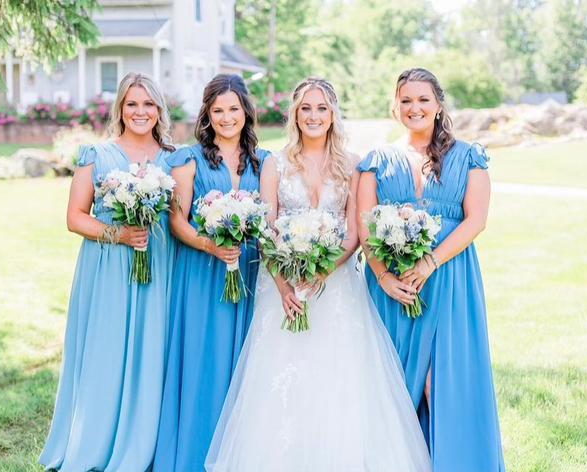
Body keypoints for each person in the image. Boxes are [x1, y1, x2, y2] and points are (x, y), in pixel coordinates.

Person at [205, 77, 431, 472]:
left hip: (336, 285)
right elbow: (266, 230)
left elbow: (354, 231)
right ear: (295, 115)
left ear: (332, 114)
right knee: (282, 379)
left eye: (321, 108)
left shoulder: (352, 164)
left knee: (337, 378)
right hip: (282, 287)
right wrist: (285, 286)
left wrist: (322, 270)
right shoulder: (275, 163)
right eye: (306, 108)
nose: (313, 116)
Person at [356, 68, 505, 471]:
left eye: (423, 99)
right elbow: (364, 226)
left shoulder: (469, 156)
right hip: (392, 288)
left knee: (440, 383)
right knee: (395, 383)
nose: (415, 107)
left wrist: (430, 261)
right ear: (395, 106)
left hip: (449, 281)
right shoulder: (375, 161)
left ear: (439, 105)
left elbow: (476, 220)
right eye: (406, 100)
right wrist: (384, 277)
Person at [39, 72, 178, 472]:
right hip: (108, 268)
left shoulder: (174, 158)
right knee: (106, 351)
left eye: (148, 104)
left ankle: (143, 442)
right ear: (120, 107)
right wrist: (120, 234)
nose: (140, 111)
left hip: (158, 266)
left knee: (152, 351)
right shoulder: (96, 155)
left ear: (159, 110)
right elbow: (74, 218)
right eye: (132, 103)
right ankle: (94, 443)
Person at [153, 73, 269, 472]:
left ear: (246, 112)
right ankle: (194, 453)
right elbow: (177, 221)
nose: (226, 117)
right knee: (204, 359)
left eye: (233, 109)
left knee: (243, 362)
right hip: (202, 273)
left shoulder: (263, 161)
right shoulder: (189, 159)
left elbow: (269, 218)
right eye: (218, 110)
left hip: (248, 272)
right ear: (207, 114)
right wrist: (210, 245)